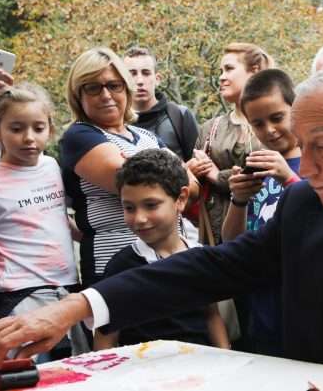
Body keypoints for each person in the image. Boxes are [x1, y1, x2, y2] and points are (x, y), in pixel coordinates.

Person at [0, 65, 323, 391]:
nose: (304, 170)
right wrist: (76, 306)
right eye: (300, 148)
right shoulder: (306, 208)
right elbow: (209, 269)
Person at [0, 84, 86, 370]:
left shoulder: (52, 167)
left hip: (65, 295)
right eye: (16, 129)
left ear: (50, 129)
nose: (28, 138)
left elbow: (57, 221)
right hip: (14, 300)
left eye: (38, 128)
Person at [60, 47, 198, 286]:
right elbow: (134, 182)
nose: (106, 95)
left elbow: (193, 190)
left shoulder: (145, 136)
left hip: (169, 260)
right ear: (78, 95)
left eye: (114, 85)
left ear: (126, 88)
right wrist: (177, 171)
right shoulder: (79, 135)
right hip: (114, 267)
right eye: (93, 87)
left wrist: (173, 175)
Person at [93, 149, 228, 350]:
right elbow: (106, 337)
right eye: (129, 208)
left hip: (202, 370)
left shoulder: (200, 258)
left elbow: (211, 316)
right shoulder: (121, 266)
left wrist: (226, 358)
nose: (139, 218)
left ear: (181, 199)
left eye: (151, 205)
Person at [220, 69, 301, 356]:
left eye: (277, 118)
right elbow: (232, 241)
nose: (269, 130)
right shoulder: (258, 169)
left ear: (296, 109)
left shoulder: (317, 162)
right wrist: (239, 200)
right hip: (261, 302)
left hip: (304, 299)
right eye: (258, 123)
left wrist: (288, 178)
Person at [187, 42, 271, 245]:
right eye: (220, 71)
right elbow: (193, 186)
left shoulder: (273, 124)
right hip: (215, 238)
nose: (221, 77)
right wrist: (190, 170)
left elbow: (271, 173)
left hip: (261, 231)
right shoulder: (211, 128)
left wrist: (217, 176)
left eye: (229, 69)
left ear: (254, 71)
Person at [123, 46, 199, 162]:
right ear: (123, 80)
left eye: (146, 73)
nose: (140, 81)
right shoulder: (114, 122)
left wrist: (190, 170)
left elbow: (200, 164)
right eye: (132, 74)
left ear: (157, 79)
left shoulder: (179, 115)